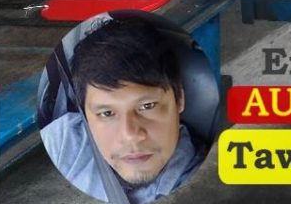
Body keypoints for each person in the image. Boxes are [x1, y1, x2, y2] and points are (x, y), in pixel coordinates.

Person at [40, 17, 207, 203]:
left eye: (147, 106)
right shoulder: (64, 143)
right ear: (85, 116)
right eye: (107, 113)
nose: (130, 135)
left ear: (179, 99)